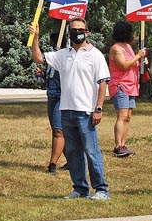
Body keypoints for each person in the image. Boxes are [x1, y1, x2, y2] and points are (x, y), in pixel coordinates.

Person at [29, 18, 110, 200]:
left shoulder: (95, 55)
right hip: (66, 110)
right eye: (73, 30)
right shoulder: (63, 54)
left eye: (80, 29)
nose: (77, 32)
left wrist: (99, 108)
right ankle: (80, 188)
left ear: (87, 32)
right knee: (73, 152)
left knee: (91, 151)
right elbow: (39, 58)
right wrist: (35, 37)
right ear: (68, 33)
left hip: (86, 111)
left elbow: (103, 82)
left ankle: (101, 189)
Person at [107, 20, 148, 158]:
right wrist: (138, 56)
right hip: (120, 86)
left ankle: (123, 144)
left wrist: (141, 62)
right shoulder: (116, 49)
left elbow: (132, 64)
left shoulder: (128, 47)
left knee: (128, 117)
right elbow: (123, 66)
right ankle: (118, 146)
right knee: (122, 116)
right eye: (132, 32)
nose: (134, 35)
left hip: (132, 86)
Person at [43, 47, 66, 174]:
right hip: (51, 95)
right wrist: (35, 37)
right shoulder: (52, 57)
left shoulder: (65, 57)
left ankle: (52, 164)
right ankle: (72, 161)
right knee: (57, 131)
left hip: (61, 96)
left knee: (58, 131)